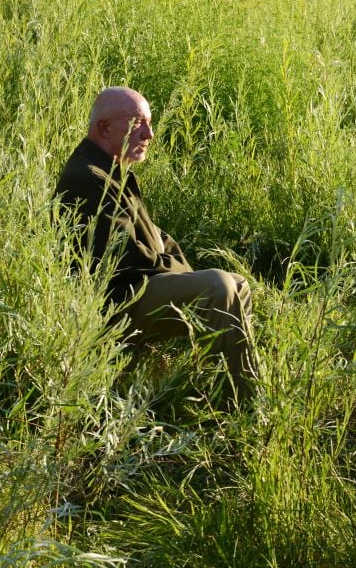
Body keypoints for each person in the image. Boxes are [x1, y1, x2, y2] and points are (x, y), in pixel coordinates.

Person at [55, 86, 258, 395]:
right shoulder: (87, 176)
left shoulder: (112, 169)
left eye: (149, 123)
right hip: (113, 305)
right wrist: (174, 264)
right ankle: (242, 402)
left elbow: (158, 237)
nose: (149, 134)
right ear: (105, 128)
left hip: (134, 290)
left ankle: (225, 389)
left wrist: (168, 258)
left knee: (237, 284)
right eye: (138, 123)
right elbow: (126, 256)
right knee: (218, 285)